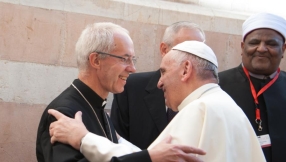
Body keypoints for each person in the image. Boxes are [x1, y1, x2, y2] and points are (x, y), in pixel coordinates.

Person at [48, 41, 266, 162]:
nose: (159, 83)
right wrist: (117, 140)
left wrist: (83, 138)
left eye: (163, 72)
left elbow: (152, 161)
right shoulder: (222, 104)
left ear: (186, 70)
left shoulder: (202, 109)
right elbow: (156, 155)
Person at [36, 22, 206, 162]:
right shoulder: (65, 114)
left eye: (133, 59)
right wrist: (149, 157)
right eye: (125, 59)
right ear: (96, 60)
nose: (132, 68)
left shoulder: (98, 107)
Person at [110, 21, 205, 149]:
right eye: (186, 51)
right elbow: (116, 145)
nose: (194, 60)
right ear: (164, 50)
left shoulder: (205, 98)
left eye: (200, 52)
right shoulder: (132, 88)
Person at [218, 12, 286, 162]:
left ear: (283, 49)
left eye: (271, 44)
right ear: (242, 47)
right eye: (254, 42)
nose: (261, 49)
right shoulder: (217, 85)